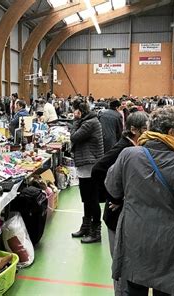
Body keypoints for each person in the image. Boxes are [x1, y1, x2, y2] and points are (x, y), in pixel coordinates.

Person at [105, 106, 174, 295]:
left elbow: (112, 187)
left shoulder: (129, 155)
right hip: (170, 251)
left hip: (133, 242)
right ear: (171, 132)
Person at [91, 112, 148, 296]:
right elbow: (98, 169)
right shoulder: (123, 149)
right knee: (120, 266)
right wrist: (112, 197)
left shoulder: (135, 149)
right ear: (134, 130)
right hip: (115, 216)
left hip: (125, 214)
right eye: (145, 129)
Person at [70, 99, 104, 244]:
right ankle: (86, 226)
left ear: (80, 111)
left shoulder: (89, 123)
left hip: (90, 164)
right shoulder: (88, 121)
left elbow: (74, 136)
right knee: (86, 199)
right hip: (86, 164)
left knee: (92, 199)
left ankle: (96, 232)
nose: (73, 113)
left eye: (74, 110)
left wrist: (75, 121)